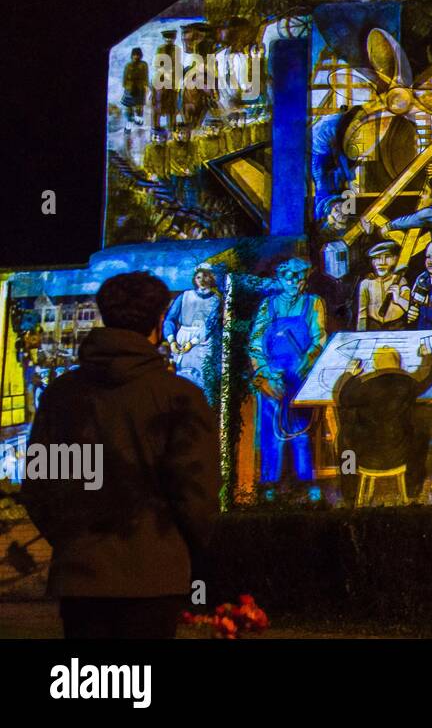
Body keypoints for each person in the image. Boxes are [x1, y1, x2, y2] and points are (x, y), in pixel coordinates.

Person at [21, 272, 219, 638]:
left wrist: (73, 541)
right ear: (160, 320)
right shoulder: (178, 397)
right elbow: (196, 495)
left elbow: (41, 486)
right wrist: (181, 550)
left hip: (81, 578)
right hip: (155, 577)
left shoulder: (62, 397)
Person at [249, 258, 327, 487]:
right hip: (273, 377)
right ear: (280, 279)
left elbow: (319, 339)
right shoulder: (268, 305)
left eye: (300, 278)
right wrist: (265, 373)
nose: (295, 283)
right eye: (289, 278)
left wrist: (305, 364)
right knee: (270, 434)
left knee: (302, 432)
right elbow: (255, 342)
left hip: (300, 377)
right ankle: (269, 483)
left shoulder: (313, 303)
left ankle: (306, 482)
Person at [334, 342, 432, 502]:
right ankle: (412, 487)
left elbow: (341, 397)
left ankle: (349, 490)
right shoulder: (408, 383)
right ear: (398, 364)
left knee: (345, 437)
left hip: (366, 457)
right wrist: (428, 355)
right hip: (400, 455)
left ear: (376, 365)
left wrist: (349, 374)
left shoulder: (364, 386)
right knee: (420, 432)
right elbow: (428, 376)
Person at [163, 262, 222, 397]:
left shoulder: (216, 300)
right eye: (199, 277)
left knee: (204, 377)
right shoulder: (185, 296)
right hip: (182, 340)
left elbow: (210, 325)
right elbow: (169, 319)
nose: (202, 281)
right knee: (183, 376)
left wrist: (192, 342)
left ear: (211, 278)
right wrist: (172, 341)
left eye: (206, 277)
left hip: (204, 342)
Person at [356, 240, 411, 331]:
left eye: (387, 257)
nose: (382, 262)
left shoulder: (401, 281)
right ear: (372, 261)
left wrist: (398, 299)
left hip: (397, 327)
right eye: (377, 257)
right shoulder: (366, 283)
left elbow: (409, 308)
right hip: (373, 327)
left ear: (395, 259)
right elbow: (362, 314)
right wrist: (360, 334)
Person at [121, 47, 148, 125]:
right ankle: (129, 122)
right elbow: (124, 79)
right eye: (134, 55)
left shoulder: (143, 65)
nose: (136, 57)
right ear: (132, 56)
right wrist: (127, 87)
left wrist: (145, 86)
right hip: (130, 89)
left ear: (140, 56)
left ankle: (139, 122)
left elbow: (145, 77)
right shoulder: (128, 65)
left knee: (139, 107)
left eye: (138, 55)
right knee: (129, 108)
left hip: (140, 88)